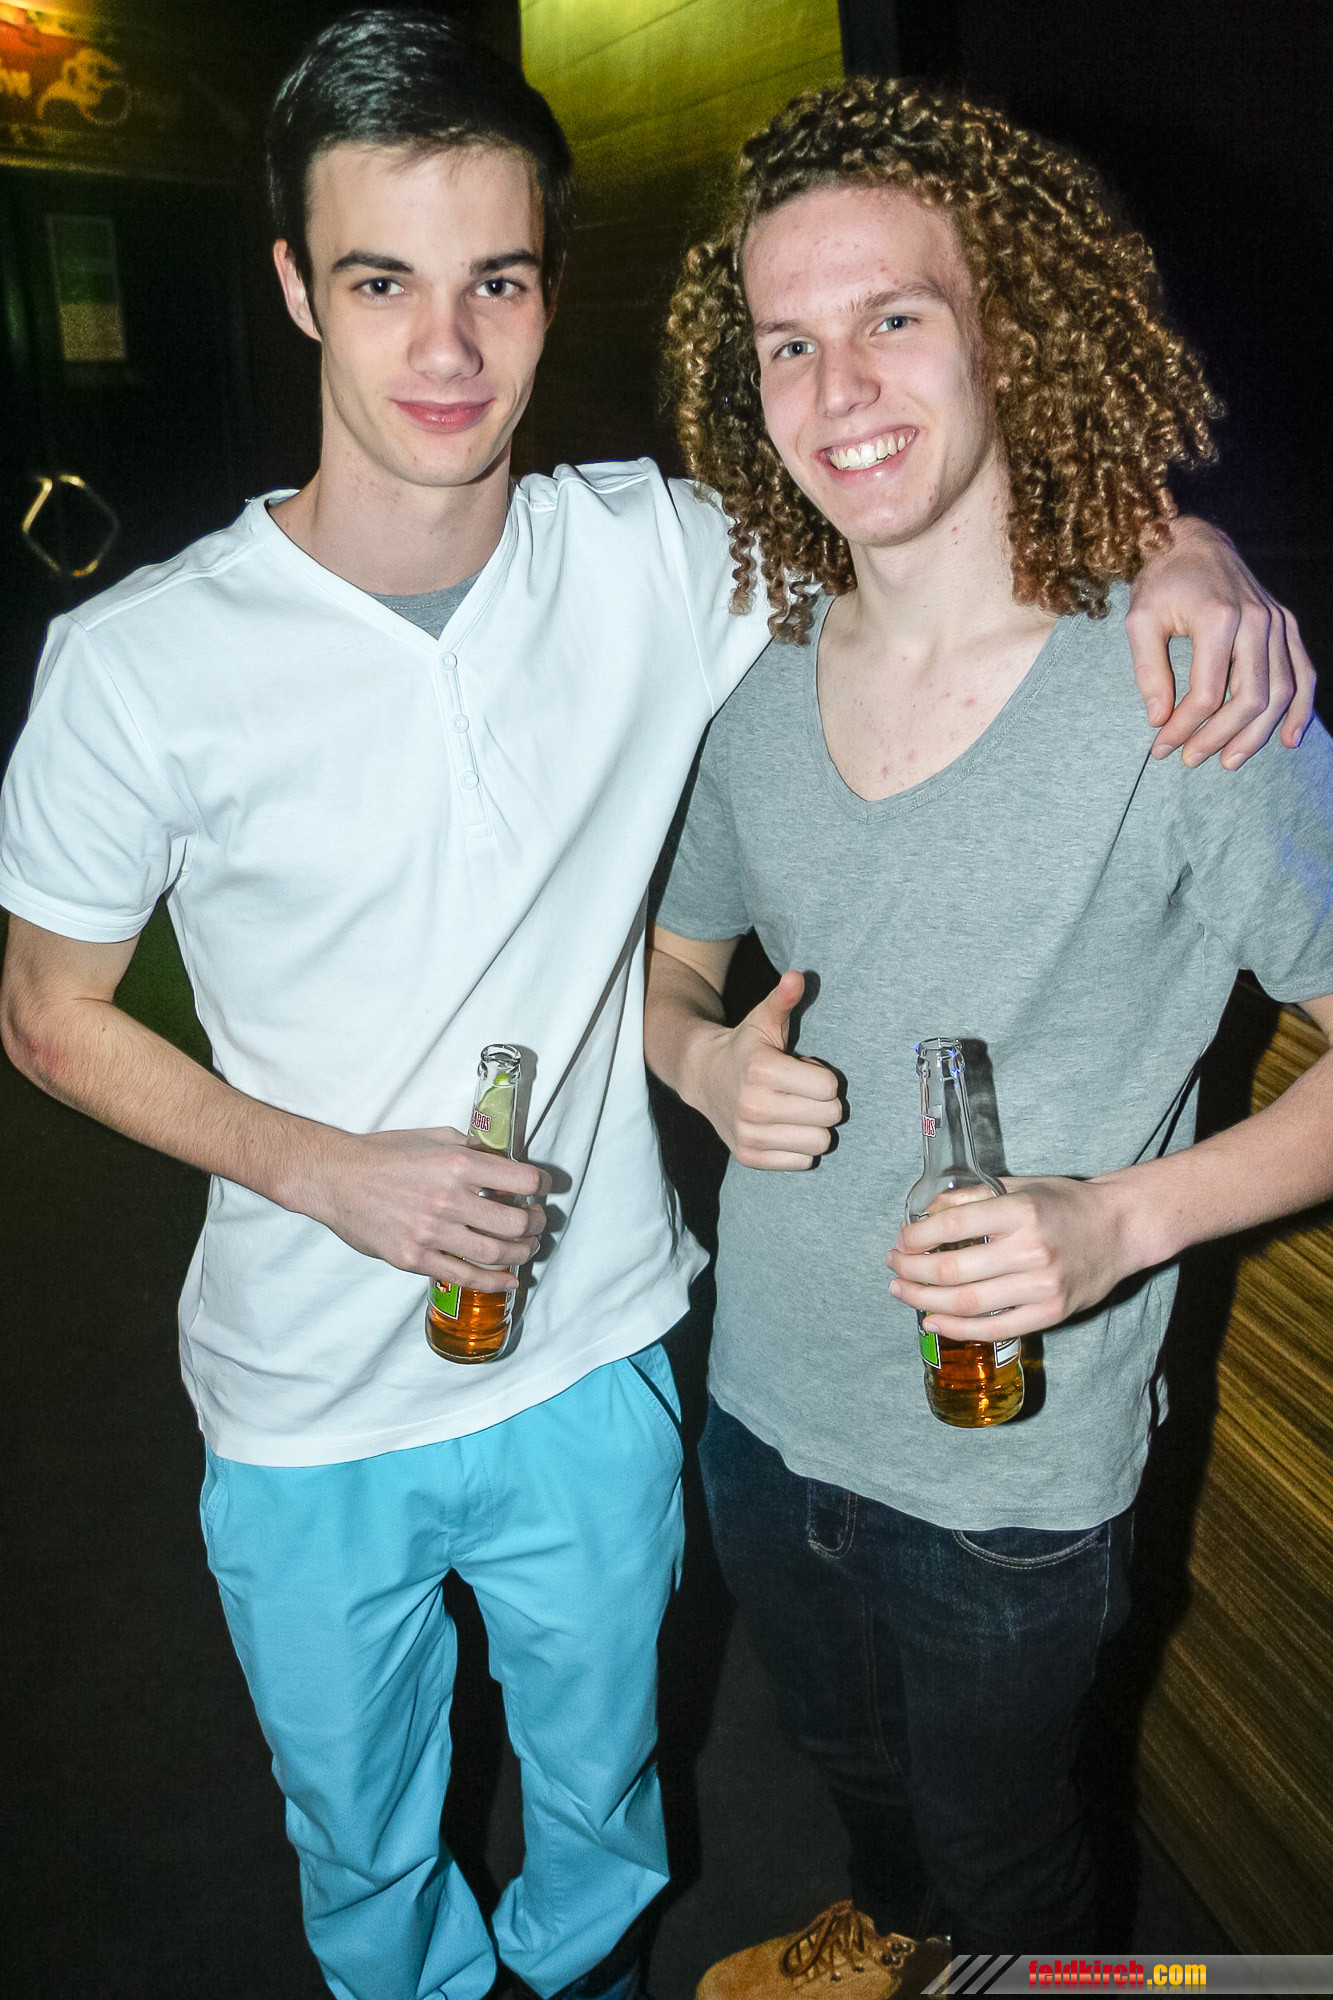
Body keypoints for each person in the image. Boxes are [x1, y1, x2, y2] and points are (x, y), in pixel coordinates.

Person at [0, 15, 1311, 2000]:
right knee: (364, 1849)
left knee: (618, 1821)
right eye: (382, 281)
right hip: (312, 1394)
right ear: (295, 287)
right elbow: (48, 1013)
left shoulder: (658, 558)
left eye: (497, 281)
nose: (447, 348)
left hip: (607, 1350)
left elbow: (924, 479)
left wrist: (1184, 541)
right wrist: (332, 1168)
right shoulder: (137, 661)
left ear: (551, 291)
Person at [645, 76, 1333, 1984]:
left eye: (893, 316)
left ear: (1006, 335)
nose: (838, 386)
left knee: (1012, 1866)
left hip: (1008, 1481)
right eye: (789, 340)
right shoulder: (759, 690)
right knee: (862, 1799)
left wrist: (1117, 1222)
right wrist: (702, 1060)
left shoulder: (1182, 684)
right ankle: (889, 1941)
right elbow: (669, 972)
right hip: (759, 1409)